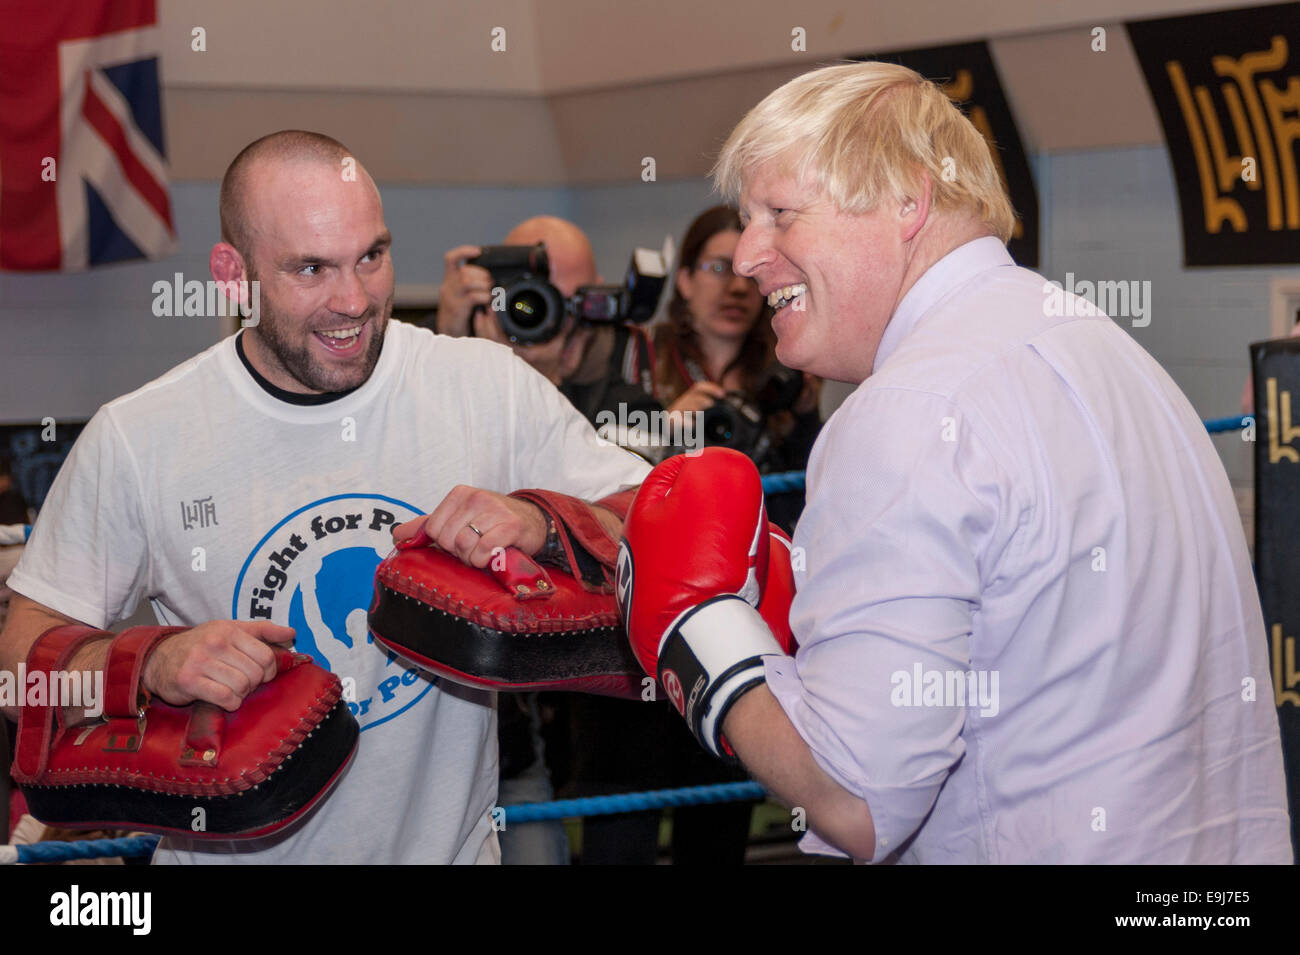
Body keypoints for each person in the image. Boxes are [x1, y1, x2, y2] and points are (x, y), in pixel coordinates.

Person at [618, 62, 1291, 863]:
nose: (750, 255)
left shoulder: (913, 409)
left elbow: (857, 797)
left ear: (909, 199)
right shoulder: (1114, 356)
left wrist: (694, 632)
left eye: (780, 213)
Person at [0, 130, 649, 864]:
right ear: (232, 275)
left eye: (370, 256)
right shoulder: (140, 437)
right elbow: (19, 670)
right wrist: (149, 663)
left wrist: (542, 520)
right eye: (311, 268)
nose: (353, 301)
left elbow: (653, 518)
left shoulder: (483, 387)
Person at [437, 216, 661, 864]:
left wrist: (539, 391)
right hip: (477, 722)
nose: (543, 315)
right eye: (529, 298)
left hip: (581, 726)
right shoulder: (448, 383)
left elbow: (638, 504)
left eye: (565, 299)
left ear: (596, 304)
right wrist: (455, 348)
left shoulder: (621, 403)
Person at [654, 205, 821, 533]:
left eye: (749, 273)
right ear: (685, 281)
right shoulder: (642, 360)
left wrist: (806, 416)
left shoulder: (784, 370)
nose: (737, 288)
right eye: (719, 268)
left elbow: (813, 496)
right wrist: (660, 434)